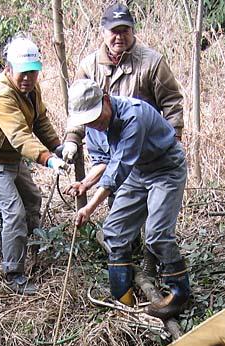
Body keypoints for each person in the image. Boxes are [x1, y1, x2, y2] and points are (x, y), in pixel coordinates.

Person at [60, 3, 185, 280]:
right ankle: (128, 282)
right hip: (122, 157)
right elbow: (81, 110)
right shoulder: (90, 67)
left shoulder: (151, 62)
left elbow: (172, 102)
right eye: (113, 32)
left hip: (152, 153)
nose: (119, 37)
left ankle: (160, 274)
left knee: (157, 228)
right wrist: (72, 141)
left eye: (124, 31)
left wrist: (170, 140)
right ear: (103, 33)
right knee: (118, 226)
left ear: (132, 31)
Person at [67, 79, 190, 320]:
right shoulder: (92, 126)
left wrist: (90, 207)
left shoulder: (133, 115)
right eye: (89, 121)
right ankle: (123, 296)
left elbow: (118, 168)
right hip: (137, 172)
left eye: (96, 117)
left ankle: (180, 294)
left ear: (105, 99)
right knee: (114, 231)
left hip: (165, 168)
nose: (95, 124)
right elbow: (104, 161)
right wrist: (85, 183)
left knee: (157, 235)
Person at [0, 37, 68, 295]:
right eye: (23, 73)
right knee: (14, 212)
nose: (28, 78)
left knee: (32, 199)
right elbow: (20, 136)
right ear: (8, 69)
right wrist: (48, 159)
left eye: (33, 73)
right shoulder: (1, 95)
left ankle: (37, 247)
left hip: (12, 157)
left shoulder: (31, 90)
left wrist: (57, 146)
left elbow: (39, 121)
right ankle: (14, 272)